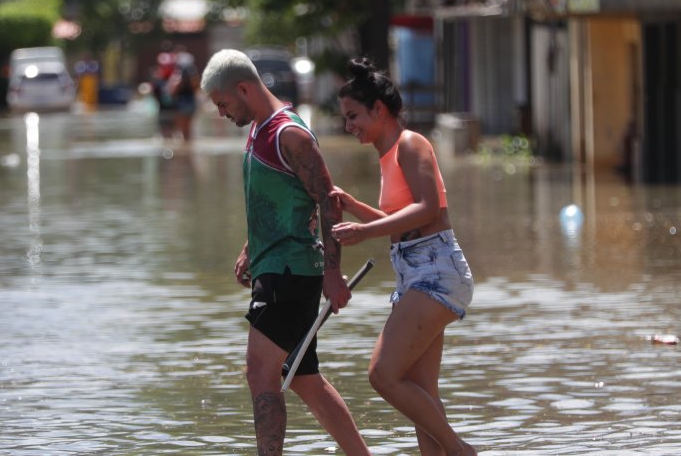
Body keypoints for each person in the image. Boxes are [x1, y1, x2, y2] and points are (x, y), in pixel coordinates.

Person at [200, 49, 370, 456]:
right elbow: (280, 201)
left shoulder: (289, 133)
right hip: (274, 267)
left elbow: (328, 201)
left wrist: (333, 273)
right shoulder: (259, 130)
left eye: (223, 104)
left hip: (291, 273)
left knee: (261, 371)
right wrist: (249, 247)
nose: (222, 113)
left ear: (244, 88)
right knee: (303, 377)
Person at [330, 58, 477, 456]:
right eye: (345, 118)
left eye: (353, 116)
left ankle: (459, 450)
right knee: (421, 393)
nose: (349, 126)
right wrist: (354, 207)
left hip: (438, 271)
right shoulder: (387, 156)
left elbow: (430, 210)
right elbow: (399, 225)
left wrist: (363, 231)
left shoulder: (411, 143)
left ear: (379, 109)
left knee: (382, 375)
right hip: (416, 273)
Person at [168, 49, 200, 142]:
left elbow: (172, 92)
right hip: (191, 102)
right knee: (189, 129)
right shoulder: (193, 75)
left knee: (183, 130)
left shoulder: (177, 75)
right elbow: (197, 89)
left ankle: (185, 147)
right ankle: (188, 146)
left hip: (182, 103)